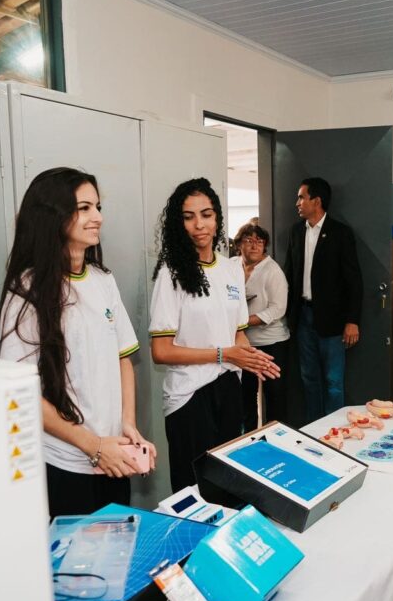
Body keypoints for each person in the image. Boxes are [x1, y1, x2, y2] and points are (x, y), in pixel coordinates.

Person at [0, 167, 156, 518]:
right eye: (83, 208)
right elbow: (23, 396)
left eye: (97, 207)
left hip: (113, 455)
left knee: (116, 558)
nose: (97, 217)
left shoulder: (102, 280)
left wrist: (126, 425)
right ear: (52, 215)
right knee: (76, 569)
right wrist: (93, 446)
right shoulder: (26, 291)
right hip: (65, 463)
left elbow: (122, 359)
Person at [150, 178, 280, 492]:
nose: (199, 225)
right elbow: (161, 351)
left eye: (206, 215)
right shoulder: (172, 274)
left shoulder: (231, 269)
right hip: (189, 396)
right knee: (194, 489)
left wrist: (252, 358)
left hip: (228, 388)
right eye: (188, 216)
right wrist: (223, 354)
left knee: (227, 485)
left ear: (218, 218)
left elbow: (237, 333)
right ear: (178, 224)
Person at [283, 177, 363, 422]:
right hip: (303, 316)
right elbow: (289, 272)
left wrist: (352, 320)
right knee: (309, 378)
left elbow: (353, 280)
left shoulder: (340, 233)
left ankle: (334, 430)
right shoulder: (296, 232)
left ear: (316, 201)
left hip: (332, 319)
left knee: (333, 381)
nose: (297, 202)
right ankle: (314, 430)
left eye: (301, 197)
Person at [235, 221, 290, 431]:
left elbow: (278, 309)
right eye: (249, 240)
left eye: (259, 241)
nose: (254, 245)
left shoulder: (272, 271)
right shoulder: (232, 266)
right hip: (244, 344)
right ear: (239, 244)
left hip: (272, 342)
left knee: (274, 396)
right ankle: (247, 439)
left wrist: (244, 321)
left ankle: (277, 439)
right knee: (245, 396)